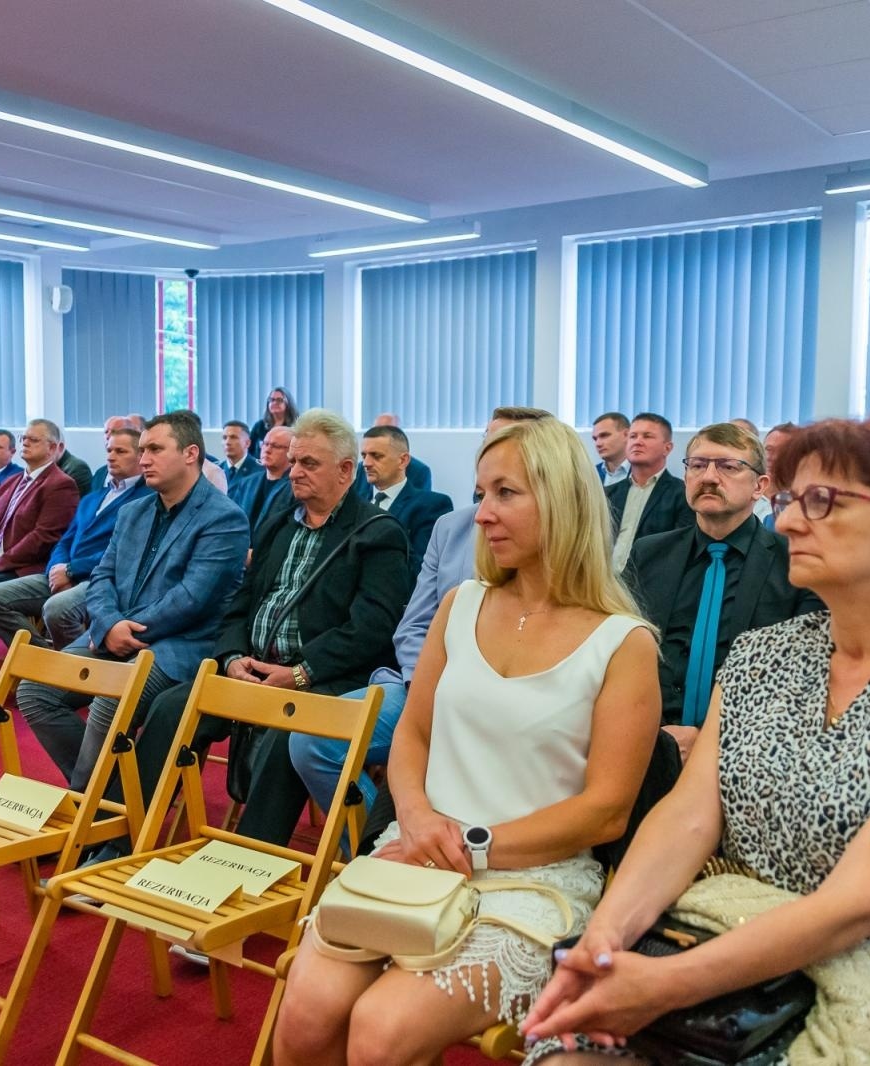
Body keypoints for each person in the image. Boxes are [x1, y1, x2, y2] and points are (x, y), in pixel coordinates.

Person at [521, 416, 870, 1066]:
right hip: (735, 930)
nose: (789, 522)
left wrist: (662, 985)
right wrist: (604, 942)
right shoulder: (764, 655)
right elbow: (687, 818)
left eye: (822, 502)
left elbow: (858, 906)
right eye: (790, 500)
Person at [272, 416, 660, 1064]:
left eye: (506, 493)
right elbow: (414, 734)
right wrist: (418, 819)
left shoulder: (623, 642)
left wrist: (468, 847)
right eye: (481, 494)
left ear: (562, 498)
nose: (482, 513)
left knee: (381, 1030)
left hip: (532, 881)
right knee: (305, 1018)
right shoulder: (462, 603)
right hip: (420, 851)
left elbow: (607, 808)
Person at [117, 409, 412, 859]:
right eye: (293, 461)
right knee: (170, 707)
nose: (293, 472)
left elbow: (370, 631)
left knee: (285, 735)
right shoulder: (279, 522)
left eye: (308, 463)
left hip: (322, 678)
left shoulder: (377, 533)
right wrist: (233, 656)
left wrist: (298, 674)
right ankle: (116, 840)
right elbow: (240, 602)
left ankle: (243, 873)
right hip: (248, 671)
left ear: (346, 471)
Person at [285, 406, 551, 827]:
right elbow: (412, 625)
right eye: (487, 438)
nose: (489, 449)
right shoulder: (451, 527)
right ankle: (377, 841)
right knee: (312, 739)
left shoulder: (563, 543)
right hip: (422, 684)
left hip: (506, 699)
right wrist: (422, 681)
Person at [15, 411, 248, 788]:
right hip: (116, 635)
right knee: (34, 689)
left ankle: (88, 816)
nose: (143, 459)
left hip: (180, 645)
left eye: (155, 449)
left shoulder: (223, 518)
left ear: (190, 454)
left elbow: (192, 599)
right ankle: (107, 796)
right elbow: (103, 577)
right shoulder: (133, 511)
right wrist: (108, 625)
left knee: (113, 694)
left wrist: (123, 628)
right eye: (142, 450)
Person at [621, 422, 820, 761]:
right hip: (645, 746)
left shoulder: (796, 564)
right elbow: (619, 655)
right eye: (697, 465)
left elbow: (804, 680)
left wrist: (711, 741)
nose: (709, 477)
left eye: (728, 467)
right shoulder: (649, 554)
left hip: (748, 753)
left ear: (760, 486)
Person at [0, 426, 150, 655]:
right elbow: (65, 540)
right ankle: (41, 661)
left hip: (99, 579)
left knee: (57, 609)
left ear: (140, 456)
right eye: (108, 450)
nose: (110, 456)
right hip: (62, 572)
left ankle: (80, 674)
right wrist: (57, 567)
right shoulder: (94, 497)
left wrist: (71, 570)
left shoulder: (145, 499)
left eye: (120, 451)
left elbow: (124, 552)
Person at [0, 420, 79, 697]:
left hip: (28, 567)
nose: (25, 442)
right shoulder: (11, 481)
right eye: (23, 437)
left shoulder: (61, 484)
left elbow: (43, 537)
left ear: (52, 448)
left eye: (33, 440)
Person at [360, 424, 453, 573]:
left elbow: (421, 568)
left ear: (403, 460)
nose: (366, 463)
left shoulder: (430, 506)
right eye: (364, 456)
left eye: (376, 456)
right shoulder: (354, 503)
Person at [607, 412, 693, 572]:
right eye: (633, 436)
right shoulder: (609, 493)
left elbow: (680, 548)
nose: (637, 442)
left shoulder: (682, 494)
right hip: (605, 584)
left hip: (651, 583)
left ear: (667, 448)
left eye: (647, 436)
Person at [228, 424, 294, 533]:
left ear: (291, 452)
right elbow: (233, 520)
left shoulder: (295, 486)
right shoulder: (247, 483)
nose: (267, 450)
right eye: (265, 444)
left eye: (276, 446)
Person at [248, 385, 299, 458]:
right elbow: (249, 451)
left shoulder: (295, 427)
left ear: (288, 404)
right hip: (259, 467)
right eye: (272, 400)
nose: (274, 403)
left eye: (279, 400)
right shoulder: (259, 426)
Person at [590, 413, 630, 488]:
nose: (598, 444)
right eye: (595, 439)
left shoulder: (643, 472)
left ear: (626, 435)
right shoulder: (591, 474)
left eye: (604, 435)